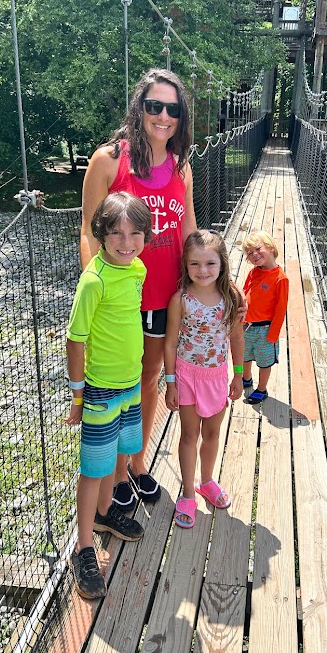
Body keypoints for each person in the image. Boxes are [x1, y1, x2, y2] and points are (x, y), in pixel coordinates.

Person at [80, 68, 197, 513]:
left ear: (181, 116)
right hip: (121, 299)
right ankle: (111, 474)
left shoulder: (181, 165)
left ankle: (136, 461)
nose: (163, 116)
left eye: (173, 109)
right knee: (118, 384)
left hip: (165, 294)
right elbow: (89, 230)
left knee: (148, 380)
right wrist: (97, 292)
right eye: (154, 106)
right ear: (139, 109)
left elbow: (187, 227)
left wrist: (208, 281)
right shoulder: (109, 160)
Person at [65, 192, 152, 599]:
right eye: (116, 233)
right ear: (100, 234)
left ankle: (104, 514)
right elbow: (75, 339)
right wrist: (78, 395)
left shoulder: (137, 268)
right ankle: (83, 546)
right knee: (94, 468)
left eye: (136, 233)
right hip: (100, 388)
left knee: (117, 453)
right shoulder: (93, 281)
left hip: (130, 383)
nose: (126, 242)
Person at [164, 230, 245, 528]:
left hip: (217, 377)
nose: (203, 271)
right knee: (189, 435)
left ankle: (207, 481)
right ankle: (188, 493)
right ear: (185, 265)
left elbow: (237, 338)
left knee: (212, 433)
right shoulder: (180, 300)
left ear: (222, 264)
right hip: (187, 376)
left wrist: (239, 376)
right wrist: (170, 383)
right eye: (194, 264)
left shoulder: (232, 298)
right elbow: (170, 343)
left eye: (210, 263)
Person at [241, 231, 289, 405]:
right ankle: (246, 378)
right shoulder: (254, 272)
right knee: (244, 356)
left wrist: (273, 335)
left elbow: (281, 309)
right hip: (246, 326)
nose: (254, 254)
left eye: (258, 249)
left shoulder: (280, 278)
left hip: (265, 330)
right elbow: (245, 291)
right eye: (249, 253)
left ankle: (262, 389)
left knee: (264, 362)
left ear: (270, 247)